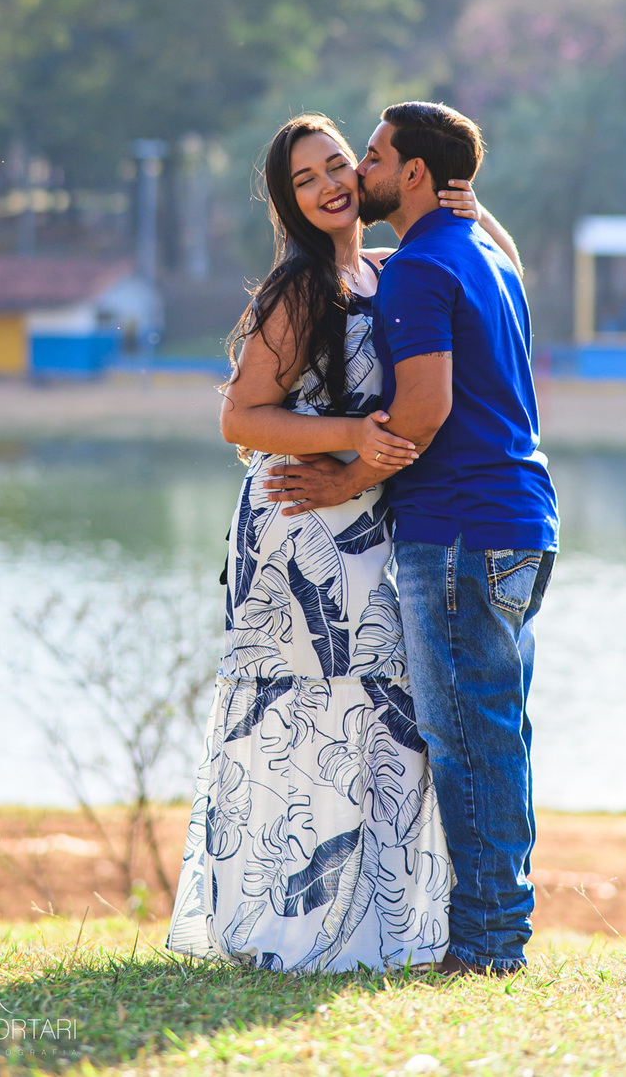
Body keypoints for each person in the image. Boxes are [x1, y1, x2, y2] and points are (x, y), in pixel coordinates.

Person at [166, 112, 521, 971]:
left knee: (385, 713)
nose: (330, 183)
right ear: (288, 201)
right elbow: (239, 418)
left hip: (370, 524)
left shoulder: (391, 268)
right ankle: (283, 929)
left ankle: (377, 926)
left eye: (338, 164)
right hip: (297, 524)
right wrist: (352, 439)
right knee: (301, 715)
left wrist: (472, 206)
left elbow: (497, 266)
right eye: (306, 178)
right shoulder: (298, 290)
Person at [264, 101, 558, 976]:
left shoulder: (421, 267)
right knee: (495, 731)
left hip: (461, 530)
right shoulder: (486, 255)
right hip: (519, 523)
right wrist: (481, 207)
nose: (361, 172)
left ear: (415, 174)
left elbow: (423, 410)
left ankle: (489, 942)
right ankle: (496, 929)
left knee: (467, 737)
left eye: (374, 156)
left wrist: (344, 479)